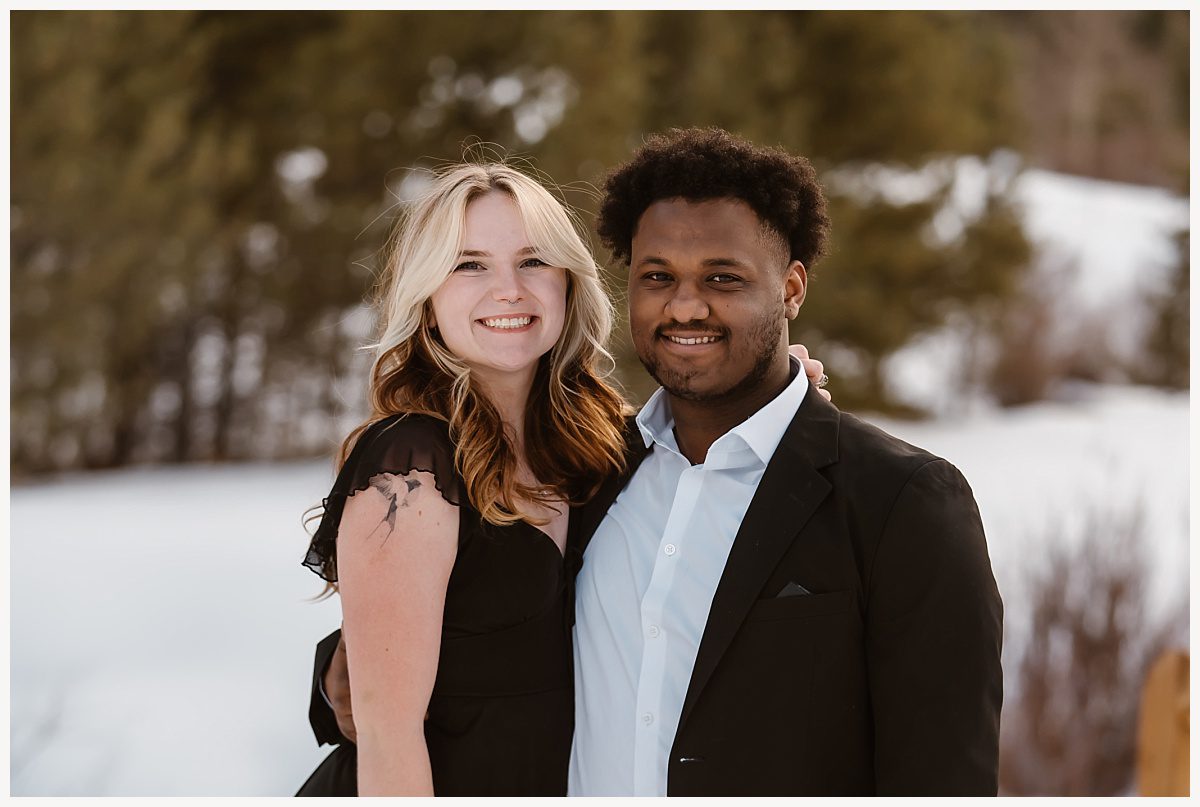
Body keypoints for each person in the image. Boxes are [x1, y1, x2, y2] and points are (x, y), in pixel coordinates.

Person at [309, 127, 1003, 796]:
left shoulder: (591, 458)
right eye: (658, 276)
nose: (687, 305)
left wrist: (780, 395)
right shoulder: (553, 469)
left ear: (790, 289)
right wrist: (353, 666)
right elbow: (418, 685)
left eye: (723, 277)